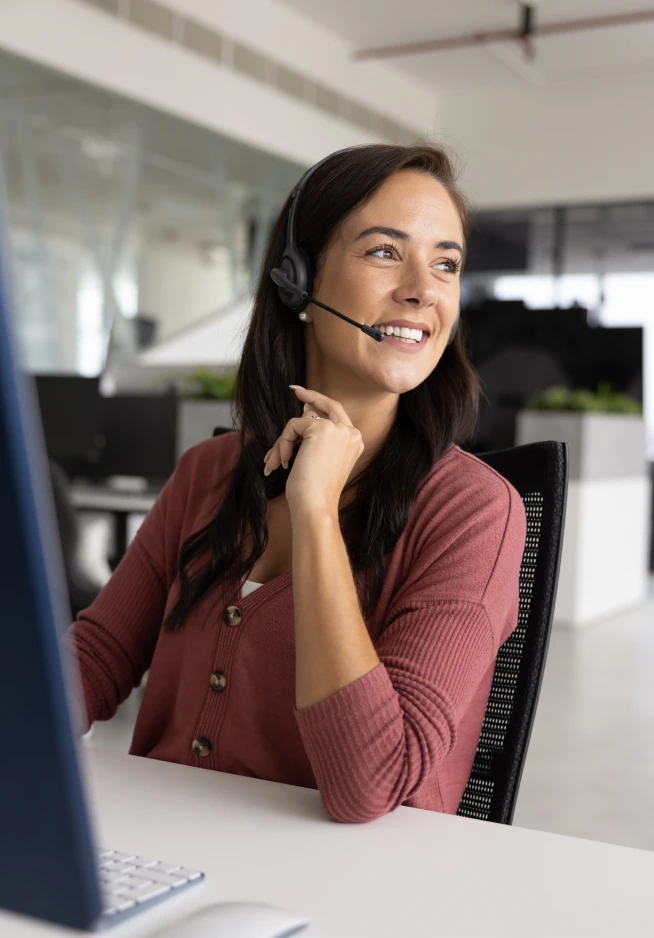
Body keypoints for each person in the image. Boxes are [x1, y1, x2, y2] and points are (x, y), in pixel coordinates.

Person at [68, 144, 527, 823]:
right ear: (298, 281)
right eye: (384, 252)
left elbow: (370, 784)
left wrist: (314, 513)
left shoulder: (475, 510)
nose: (423, 290)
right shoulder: (209, 472)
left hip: (344, 878)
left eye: (446, 264)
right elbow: (96, 660)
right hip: (167, 846)